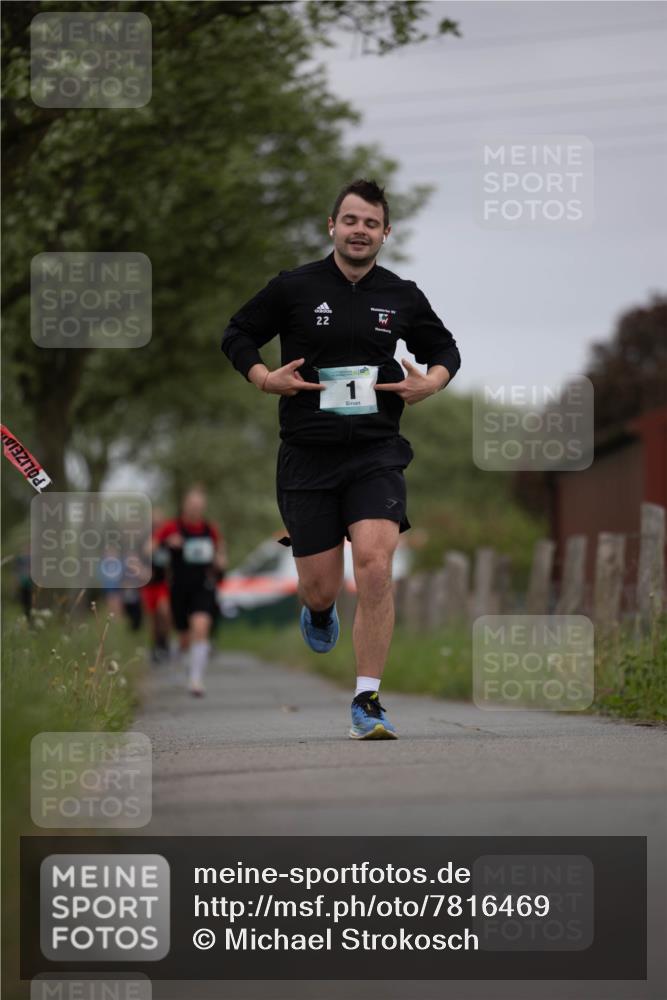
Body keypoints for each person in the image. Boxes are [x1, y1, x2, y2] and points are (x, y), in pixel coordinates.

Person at [221, 178, 461, 739]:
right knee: (321, 588)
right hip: (307, 455)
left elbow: (444, 347)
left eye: (371, 223)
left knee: (376, 566)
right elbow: (238, 333)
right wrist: (262, 377)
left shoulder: (402, 295)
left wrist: (433, 383)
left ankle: (367, 700)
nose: (360, 231)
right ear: (333, 226)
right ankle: (321, 609)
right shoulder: (294, 287)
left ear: (386, 233)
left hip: (377, 451)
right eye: (350, 220)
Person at [154, 487, 226, 697]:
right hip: (178, 587)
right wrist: (167, 544)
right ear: (185, 505)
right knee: (184, 636)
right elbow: (150, 549)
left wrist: (220, 559)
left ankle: (196, 679)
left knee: (201, 625)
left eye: (199, 505)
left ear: (203, 507)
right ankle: (178, 662)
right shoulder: (172, 527)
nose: (195, 508)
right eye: (191, 504)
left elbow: (220, 550)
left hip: (203, 585)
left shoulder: (209, 529)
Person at [142, 507, 172, 663]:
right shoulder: (145, 539)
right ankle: (156, 647)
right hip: (148, 584)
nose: (157, 523)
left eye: (159, 520)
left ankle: (165, 643)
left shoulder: (168, 539)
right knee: (153, 619)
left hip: (163, 584)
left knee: (164, 612)